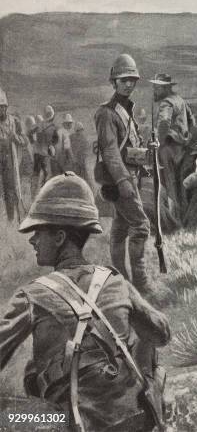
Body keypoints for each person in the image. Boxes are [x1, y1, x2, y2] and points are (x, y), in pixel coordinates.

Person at [1, 172, 170, 431]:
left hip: (69, 423)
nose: (33, 240)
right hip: (131, 417)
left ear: (59, 238)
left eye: (38, 231)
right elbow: (161, 333)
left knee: (9, 418)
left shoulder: (31, 296)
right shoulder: (116, 281)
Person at [95, 54, 151, 292]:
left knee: (119, 229)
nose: (129, 84)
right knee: (140, 226)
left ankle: (121, 281)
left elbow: (128, 147)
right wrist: (122, 180)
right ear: (114, 82)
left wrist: (145, 156)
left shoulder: (126, 110)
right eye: (123, 79)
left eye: (132, 80)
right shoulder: (107, 113)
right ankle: (141, 283)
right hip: (120, 182)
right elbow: (110, 151)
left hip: (130, 177)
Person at [151, 73, 191, 218]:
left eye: (157, 87)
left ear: (165, 88)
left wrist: (158, 142)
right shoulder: (181, 100)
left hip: (168, 149)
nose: (154, 91)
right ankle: (183, 215)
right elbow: (191, 121)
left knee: (169, 185)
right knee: (181, 184)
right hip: (182, 148)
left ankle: (174, 217)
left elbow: (164, 123)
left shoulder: (166, 103)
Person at [0, 88, 27, 221]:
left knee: (12, 190)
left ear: (6, 107)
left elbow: (25, 141)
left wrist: (15, 137)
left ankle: (13, 219)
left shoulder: (14, 122)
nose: (0, 111)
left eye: (2, 107)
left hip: (11, 160)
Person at [25, 115, 50, 201]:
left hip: (40, 155)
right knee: (42, 174)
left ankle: (38, 195)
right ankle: (37, 195)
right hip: (40, 156)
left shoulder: (38, 131)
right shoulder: (38, 130)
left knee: (41, 174)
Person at [69, 121, 93, 188]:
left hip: (78, 161)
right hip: (79, 161)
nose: (81, 132)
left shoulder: (72, 137)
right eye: (80, 130)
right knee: (84, 177)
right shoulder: (82, 138)